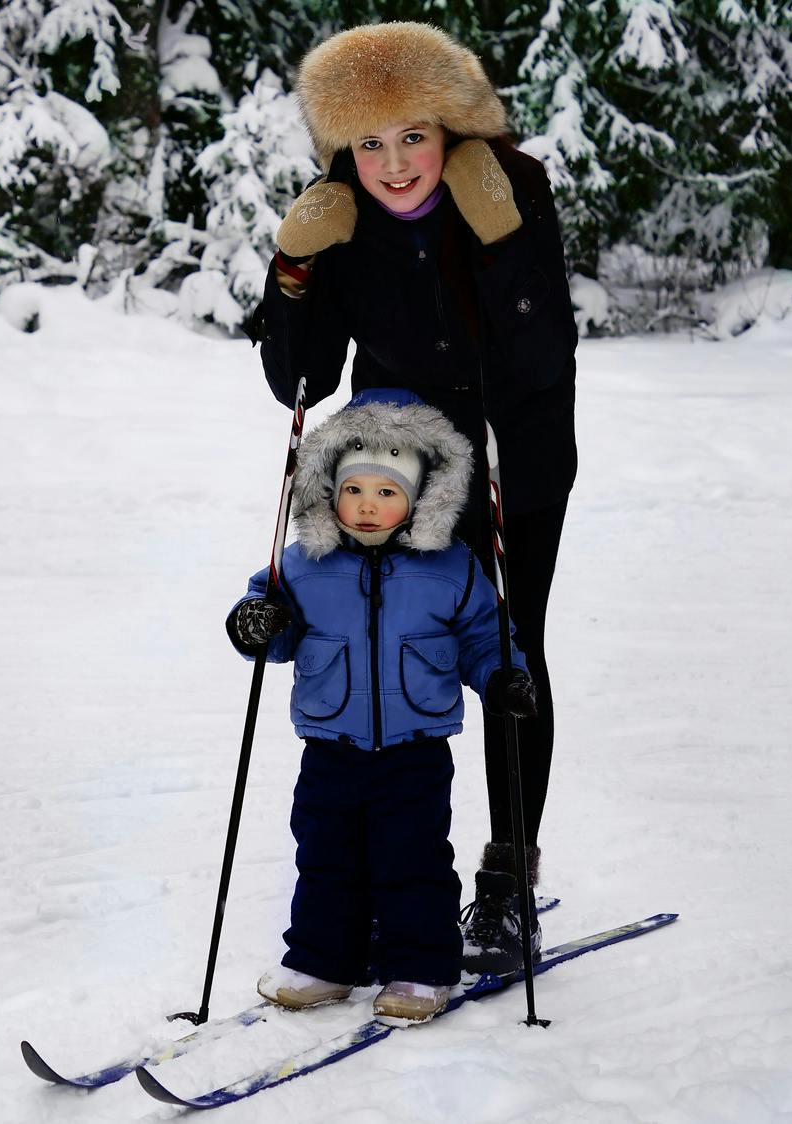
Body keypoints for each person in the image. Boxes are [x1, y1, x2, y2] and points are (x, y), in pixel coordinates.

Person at [248, 21, 578, 974]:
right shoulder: (341, 210)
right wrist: (298, 274)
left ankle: (508, 884)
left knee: (509, 648)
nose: (393, 164)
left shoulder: (510, 189)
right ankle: (381, 878)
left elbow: (539, 356)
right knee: (391, 639)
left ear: (450, 127)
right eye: (368, 142)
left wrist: (501, 237)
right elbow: (299, 382)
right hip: (400, 459)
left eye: (411, 136)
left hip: (517, 447)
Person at [226, 388, 537, 1025]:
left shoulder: (451, 568)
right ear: (328, 491)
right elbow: (274, 626)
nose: (368, 507)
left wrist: (503, 676)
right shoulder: (304, 565)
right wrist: (256, 624)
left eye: (387, 493)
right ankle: (321, 961)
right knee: (324, 857)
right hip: (330, 749)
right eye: (354, 491)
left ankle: (421, 969)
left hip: (415, 753)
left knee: (413, 859)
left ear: (420, 498)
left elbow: (485, 635)